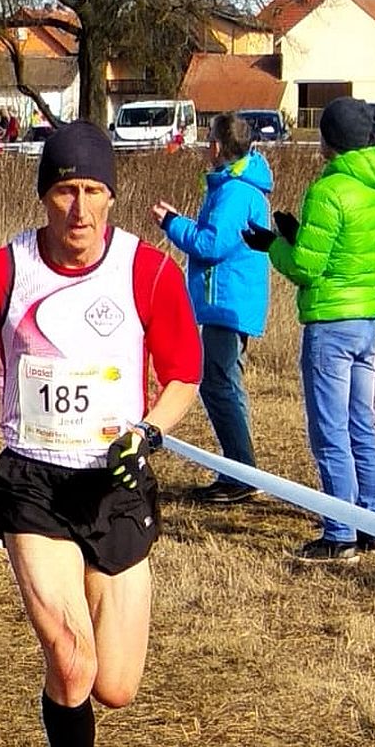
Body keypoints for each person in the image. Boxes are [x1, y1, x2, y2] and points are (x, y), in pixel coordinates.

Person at [0, 119, 201, 747]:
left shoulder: (148, 272)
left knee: (114, 686)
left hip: (115, 486)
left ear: (112, 196)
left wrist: (148, 433)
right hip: (34, 484)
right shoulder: (0, 272)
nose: (78, 209)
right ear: (43, 195)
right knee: (71, 660)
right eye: (63, 191)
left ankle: (77, 671)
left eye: (92, 191)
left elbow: (184, 374)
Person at [242, 96, 375, 564]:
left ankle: (339, 531)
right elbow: (352, 250)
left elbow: (306, 267)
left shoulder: (329, 190)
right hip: (369, 317)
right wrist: (297, 234)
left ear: (330, 139)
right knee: (362, 422)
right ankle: (373, 521)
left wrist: (273, 245)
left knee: (330, 430)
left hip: (330, 322)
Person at [151, 110, 272, 504]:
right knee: (222, 383)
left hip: (228, 302)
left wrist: (172, 223)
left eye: (209, 140)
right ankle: (238, 469)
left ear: (218, 147)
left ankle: (241, 471)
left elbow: (210, 244)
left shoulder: (236, 192)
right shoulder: (234, 187)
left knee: (220, 384)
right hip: (227, 300)